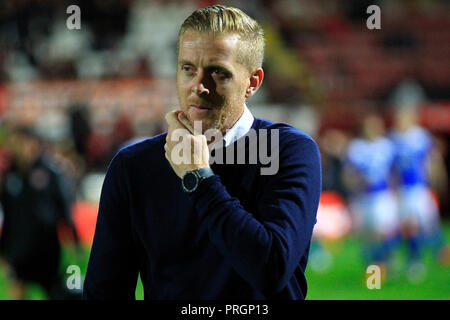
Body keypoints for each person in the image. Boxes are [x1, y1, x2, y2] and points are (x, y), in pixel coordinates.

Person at [83, 5, 322, 300]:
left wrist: (198, 176)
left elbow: (271, 269)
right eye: (188, 69)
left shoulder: (289, 151)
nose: (199, 86)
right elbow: (104, 292)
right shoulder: (133, 166)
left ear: (253, 82)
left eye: (218, 73)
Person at [0, 126, 81, 299]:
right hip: (19, 248)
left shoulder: (49, 172)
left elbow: (64, 206)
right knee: (18, 289)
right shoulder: (12, 175)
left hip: (46, 247)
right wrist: (4, 250)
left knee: (53, 290)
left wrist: (74, 239)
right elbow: (9, 215)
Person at [390, 106, 448, 281]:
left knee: (429, 225)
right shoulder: (394, 139)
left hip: (420, 188)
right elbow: (392, 169)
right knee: (409, 228)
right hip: (403, 191)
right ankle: (415, 261)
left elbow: (433, 160)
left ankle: (441, 253)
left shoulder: (420, 136)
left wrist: (438, 180)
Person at [344, 113, 400, 277]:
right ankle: (372, 269)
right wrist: (353, 186)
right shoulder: (356, 147)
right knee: (367, 235)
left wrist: (395, 193)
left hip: (382, 195)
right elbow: (349, 173)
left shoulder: (387, 146)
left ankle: (385, 262)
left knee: (383, 231)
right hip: (363, 197)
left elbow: (393, 172)